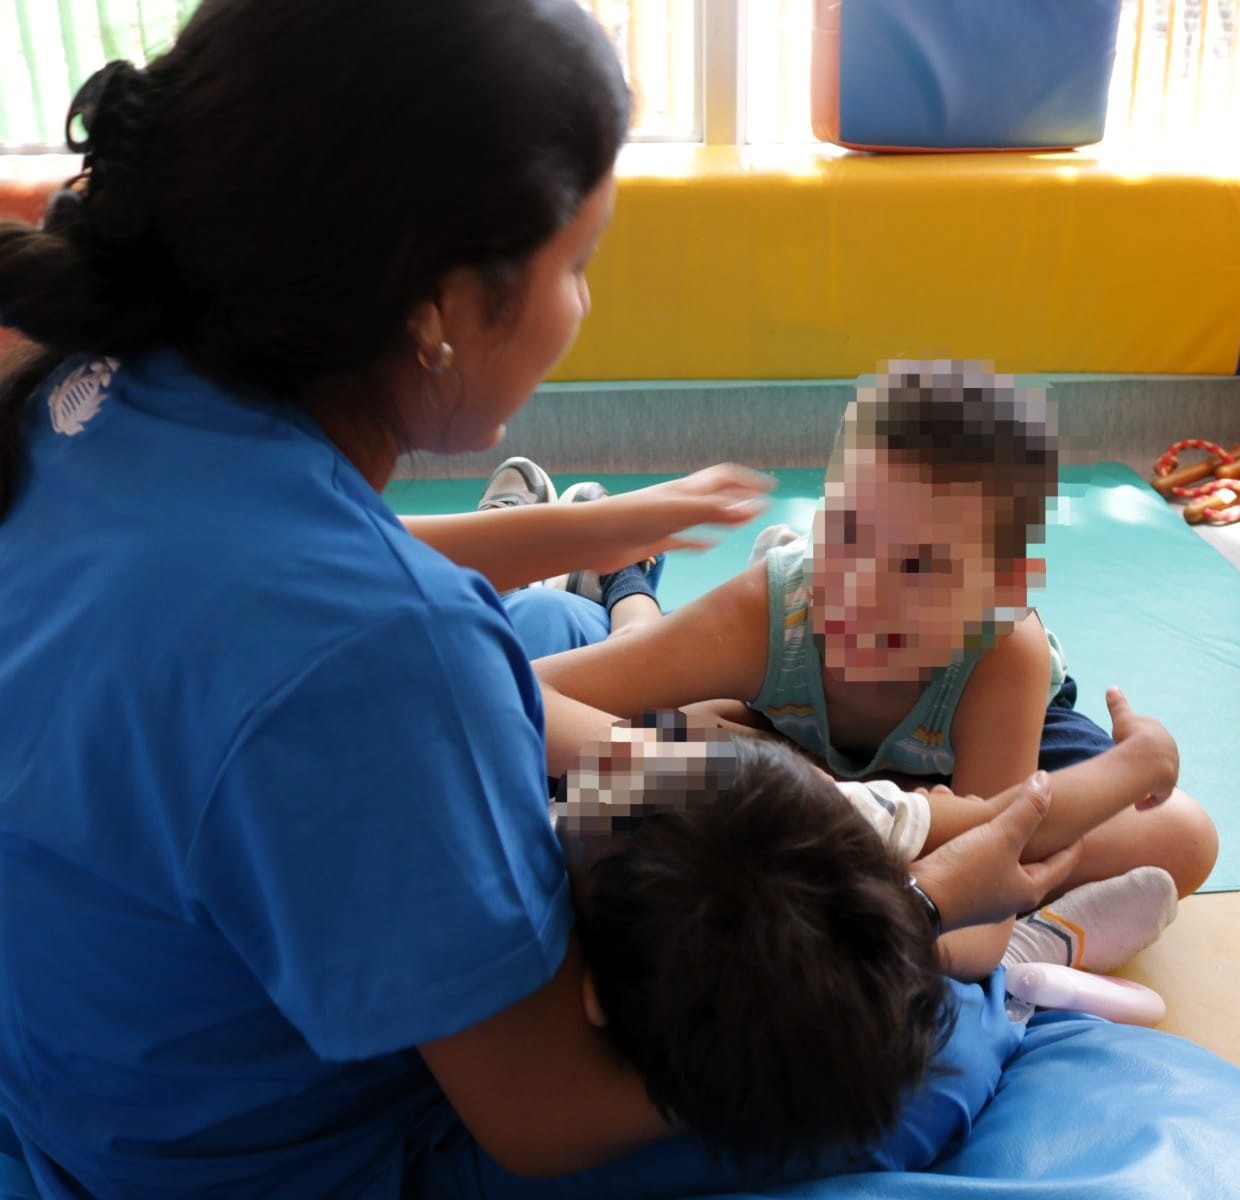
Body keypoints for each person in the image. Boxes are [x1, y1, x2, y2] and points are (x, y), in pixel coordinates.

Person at [0, 3, 1087, 1196]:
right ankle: (990, 976)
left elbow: (277, 562)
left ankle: (612, 615)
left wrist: (595, 531)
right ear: (443, 308)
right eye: (576, 263)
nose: (580, 304)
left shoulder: (90, 379)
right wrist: (920, 912)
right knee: (918, 1053)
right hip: (266, 1158)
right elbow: (544, 1114)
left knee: (559, 633)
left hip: (90, 1057)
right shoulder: (392, 649)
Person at [533, 361, 1220, 972]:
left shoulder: (1004, 649)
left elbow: (990, 864)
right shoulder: (777, 610)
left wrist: (1134, 768)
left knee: (1181, 836)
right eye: (849, 531)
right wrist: (777, 785)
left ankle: (1040, 932)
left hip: (969, 756)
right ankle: (628, 590)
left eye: (919, 564)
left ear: (1003, 591)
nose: (863, 589)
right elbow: (523, 697)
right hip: (805, 740)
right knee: (672, 736)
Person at [551, 692, 1182, 1165]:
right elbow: (1008, 823)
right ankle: (1021, 956)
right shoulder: (823, 815)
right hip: (887, 960)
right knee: (946, 1047)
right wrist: (1141, 763)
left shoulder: (592, 885)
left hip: (835, 939)